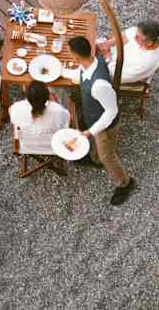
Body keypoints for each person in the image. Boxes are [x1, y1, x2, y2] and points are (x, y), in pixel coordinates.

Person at [68, 36, 136, 205]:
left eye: (70, 54)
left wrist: (90, 131)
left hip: (105, 126)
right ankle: (95, 159)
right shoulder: (92, 61)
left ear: (76, 57)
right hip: (93, 116)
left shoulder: (99, 85)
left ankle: (125, 183)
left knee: (108, 156)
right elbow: (78, 74)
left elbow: (112, 111)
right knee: (99, 152)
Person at [96, 20, 159, 84]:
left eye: (138, 37)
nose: (134, 37)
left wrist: (107, 58)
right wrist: (106, 44)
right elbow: (128, 34)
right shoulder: (156, 33)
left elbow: (118, 75)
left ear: (149, 43)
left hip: (121, 70)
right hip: (119, 55)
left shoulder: (145, 62)